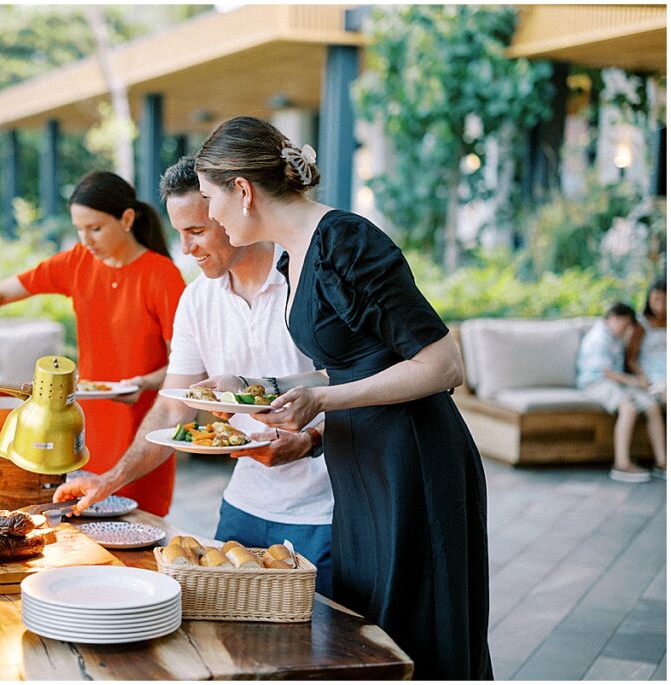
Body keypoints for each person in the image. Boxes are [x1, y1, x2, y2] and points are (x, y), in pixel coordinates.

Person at [192, 116, 492, 680]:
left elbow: (443, 364)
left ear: (243, 190)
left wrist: (324, 404)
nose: (209, 215)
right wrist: (257, 387)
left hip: (410, 459)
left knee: (415, 628)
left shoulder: (346, 241)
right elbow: (351, 364)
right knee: (371, 635)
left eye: (210, 198)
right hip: (360, 460)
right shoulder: (294, 253)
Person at [55, 158, 335, 595]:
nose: (186, 249)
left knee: (325, 632)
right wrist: (110, 480)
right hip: (244, 505)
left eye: (197, 231)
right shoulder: (197, 300)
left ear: (234, 210)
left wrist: (311, 440)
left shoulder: (308, 281)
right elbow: (172, 407)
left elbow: (354, 386)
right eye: (180, 233)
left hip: (325, 511)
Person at [0, 171, 185, 515]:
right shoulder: (78, 262)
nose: (85, 240)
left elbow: (183, 366)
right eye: (79, 229)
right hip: (85, 430)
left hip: (143, 433)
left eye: (95, 228)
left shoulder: (162, 275)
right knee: (82, 519)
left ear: (127, 219)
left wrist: (143, 382)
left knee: (138, 529)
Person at [577, 302, 666, 481]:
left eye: (628, 326)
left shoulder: (616, 337)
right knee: (628, 408)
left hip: (617, 382)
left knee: (651, 406)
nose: (625, 329)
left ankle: (662, 462)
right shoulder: (599, 338)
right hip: (596, 382)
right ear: (613, 318)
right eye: (624, 325)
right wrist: (633, 381)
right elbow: (605, 372)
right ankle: (622, 464)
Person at [627, 279, 667, 403]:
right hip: (652, 375)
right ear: (649, 299)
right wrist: (642, 377)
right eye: (656, 300)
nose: (661, 306)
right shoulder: (641, 323)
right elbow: (631, 359)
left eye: (666, 300)